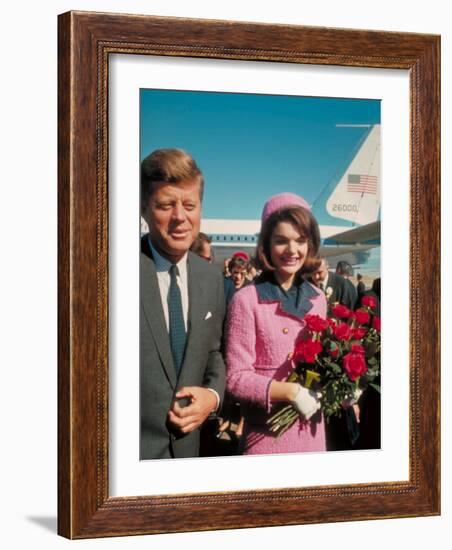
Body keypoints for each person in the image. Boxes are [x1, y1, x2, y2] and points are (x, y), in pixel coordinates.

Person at [225, 193, 327, 455]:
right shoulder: (247, 300)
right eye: (281, 241)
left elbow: (323, 363)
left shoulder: (318, 299)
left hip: (313, 434)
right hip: (267, 437)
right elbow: (236, 378)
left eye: (301, 241)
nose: (292, 251)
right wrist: (290, 392)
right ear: (267, 245)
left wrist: (345, 386)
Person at [140, 148, 226, 459]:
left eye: (189, 205)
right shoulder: (109, 271)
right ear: (144, 208)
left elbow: (214, 351)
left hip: (189, 454)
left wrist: (212, 397)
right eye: (165, 205)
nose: (180, 216)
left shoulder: (211, 278)